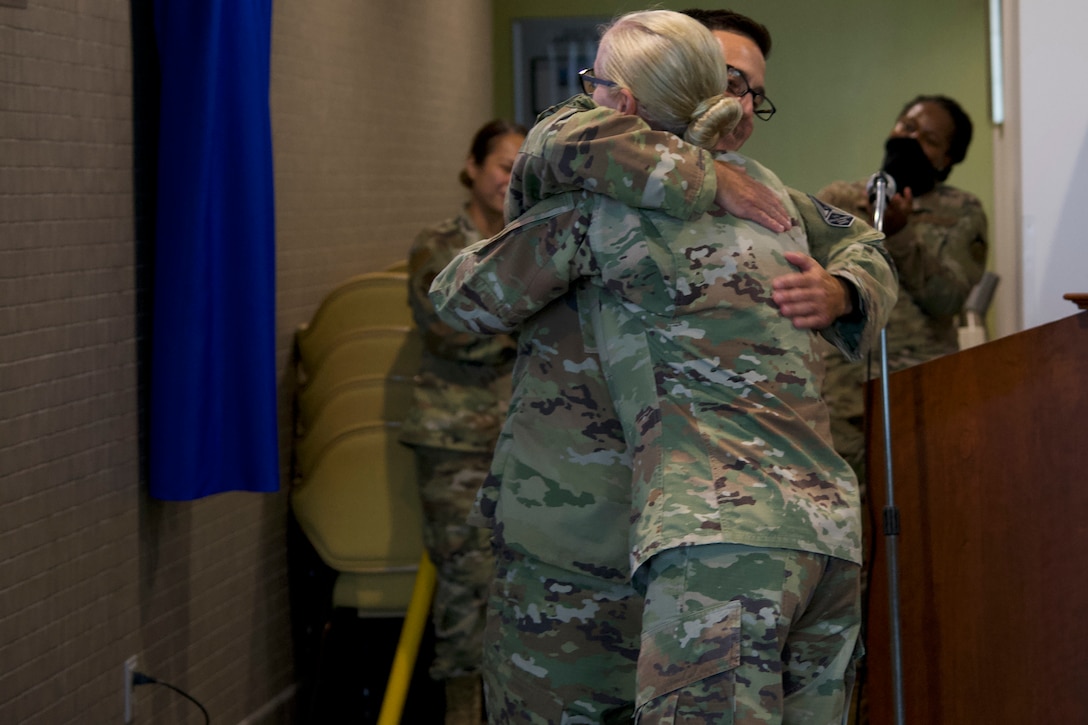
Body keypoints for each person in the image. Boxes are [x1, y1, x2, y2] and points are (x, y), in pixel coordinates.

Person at [430, 10, 898, 723]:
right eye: (728, 83)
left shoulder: (761, 198)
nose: (741, 106)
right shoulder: (612, 173)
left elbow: (461, 297)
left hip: (695, 533)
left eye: (754, 93)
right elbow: (560, 136)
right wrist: (698, 175)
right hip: (585, 535)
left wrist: (842, 291)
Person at [398, 118, 525, 724]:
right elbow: (451, 332)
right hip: (458, 443)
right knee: (467, 583)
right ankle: (461, 712)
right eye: (502, 165)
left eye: (520, 169)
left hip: (527, 440)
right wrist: (530, 327)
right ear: (473, 168)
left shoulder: (531, 239)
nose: (509, 179)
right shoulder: (440, 246)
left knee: (520, 587)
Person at [817, 95, 988, 483]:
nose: (910, 140)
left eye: (929, 139)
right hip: (843, 395)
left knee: (924, 497)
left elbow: (948, 299)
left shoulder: (962, 211)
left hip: (923, 391)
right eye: (907, 127)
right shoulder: (839, 201)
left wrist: (901, 235)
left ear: (947, 159)